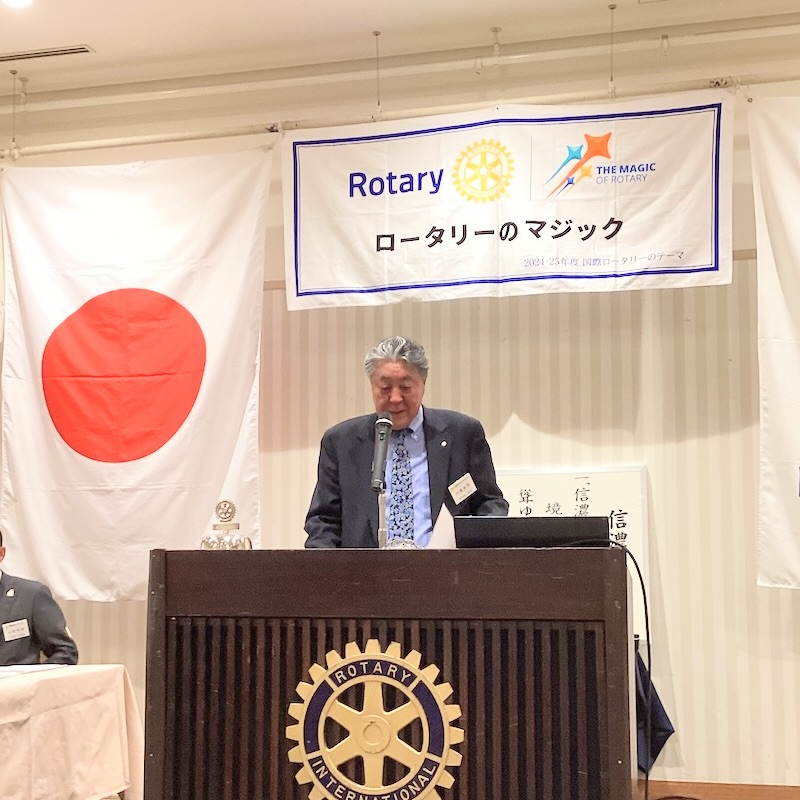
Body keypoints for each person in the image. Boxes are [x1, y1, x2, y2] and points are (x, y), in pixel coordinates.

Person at [305, 336, 508, 548]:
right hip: (364, 567)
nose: (395, 398)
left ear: (423, 384)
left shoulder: (463, 434)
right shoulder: (341, 442)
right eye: (385, 388)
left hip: (444, 565)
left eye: (406, 387)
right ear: (372, 385)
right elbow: (323, 521)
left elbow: (490, 505)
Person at [0, 530, 79, 666]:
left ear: (1, 554)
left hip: (18, 679)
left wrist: (33, 677)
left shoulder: (31, 595)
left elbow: (65, 653)